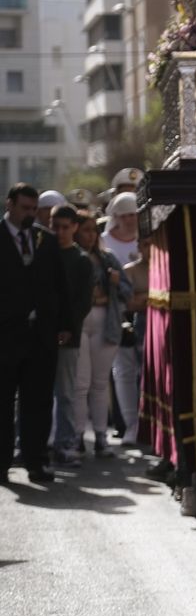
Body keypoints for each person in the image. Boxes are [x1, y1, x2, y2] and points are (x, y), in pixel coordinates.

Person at [2, 183, 70, 484]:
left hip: (40, 336)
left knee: (38, 402)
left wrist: (65, 324)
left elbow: (60, 285)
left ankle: (36, 461)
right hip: (5, 335)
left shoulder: (46, 240)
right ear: (10, 205)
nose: (30, 214)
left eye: (34, 209)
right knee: (3, 402)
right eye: (25, 208)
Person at [71, 208, 132, 460]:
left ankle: (100, 438)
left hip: (106, 321)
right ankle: (76, 437)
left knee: (99, 383)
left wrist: (117, 282)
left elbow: (128, 291)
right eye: (84, 230)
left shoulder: (108, 259)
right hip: (79, 322)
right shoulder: (71, 257)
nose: (90, 235)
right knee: (80, 383)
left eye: (93, 230)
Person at [100, 193, 147, 446]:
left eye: (133, 214)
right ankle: (130, 425)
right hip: (115, 315)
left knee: (144, 373)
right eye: (125, 215)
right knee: (123, 373)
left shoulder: (147, 238)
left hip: (145, 316)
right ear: (115, 217)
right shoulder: (104, 242)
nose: (129, 219)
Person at [49, 206, 94, 468]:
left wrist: (67, 328)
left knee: (65, 393)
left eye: (65, 227)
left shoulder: (80, 260)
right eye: (56, 226)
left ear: (74, 227)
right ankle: (33, 442)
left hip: (68, 337)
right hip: (40, 335)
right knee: (35, 393)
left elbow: (81, 303)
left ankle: (65, 443)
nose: (60, 232)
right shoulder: (45, 254)